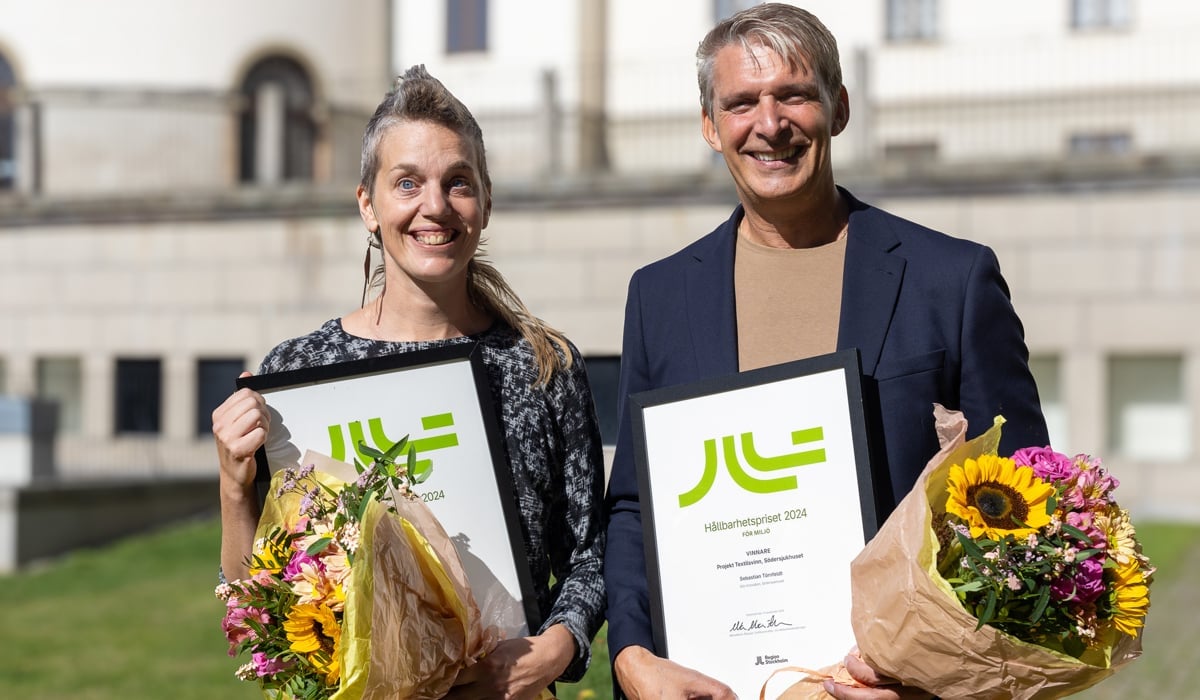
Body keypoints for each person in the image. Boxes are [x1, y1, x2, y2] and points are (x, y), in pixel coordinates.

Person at [603, 4, 1049, 699]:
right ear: (709, 125)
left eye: (794, 95)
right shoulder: (658, 297)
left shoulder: (950, 280)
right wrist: (632, 656)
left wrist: (933, 674)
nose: (770, 123)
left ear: (837, 109)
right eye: (742, 102)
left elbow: (1023, 507)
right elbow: (635, 506)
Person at [213, 65, 606, 700]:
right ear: (367, 204)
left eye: (458, 183)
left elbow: (590, 552)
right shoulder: (297, 375)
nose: (435, 206)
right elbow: (259, 601)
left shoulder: (543, 364)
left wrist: (554, 649)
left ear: (484, 202)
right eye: (407, 183)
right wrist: (235, 490)